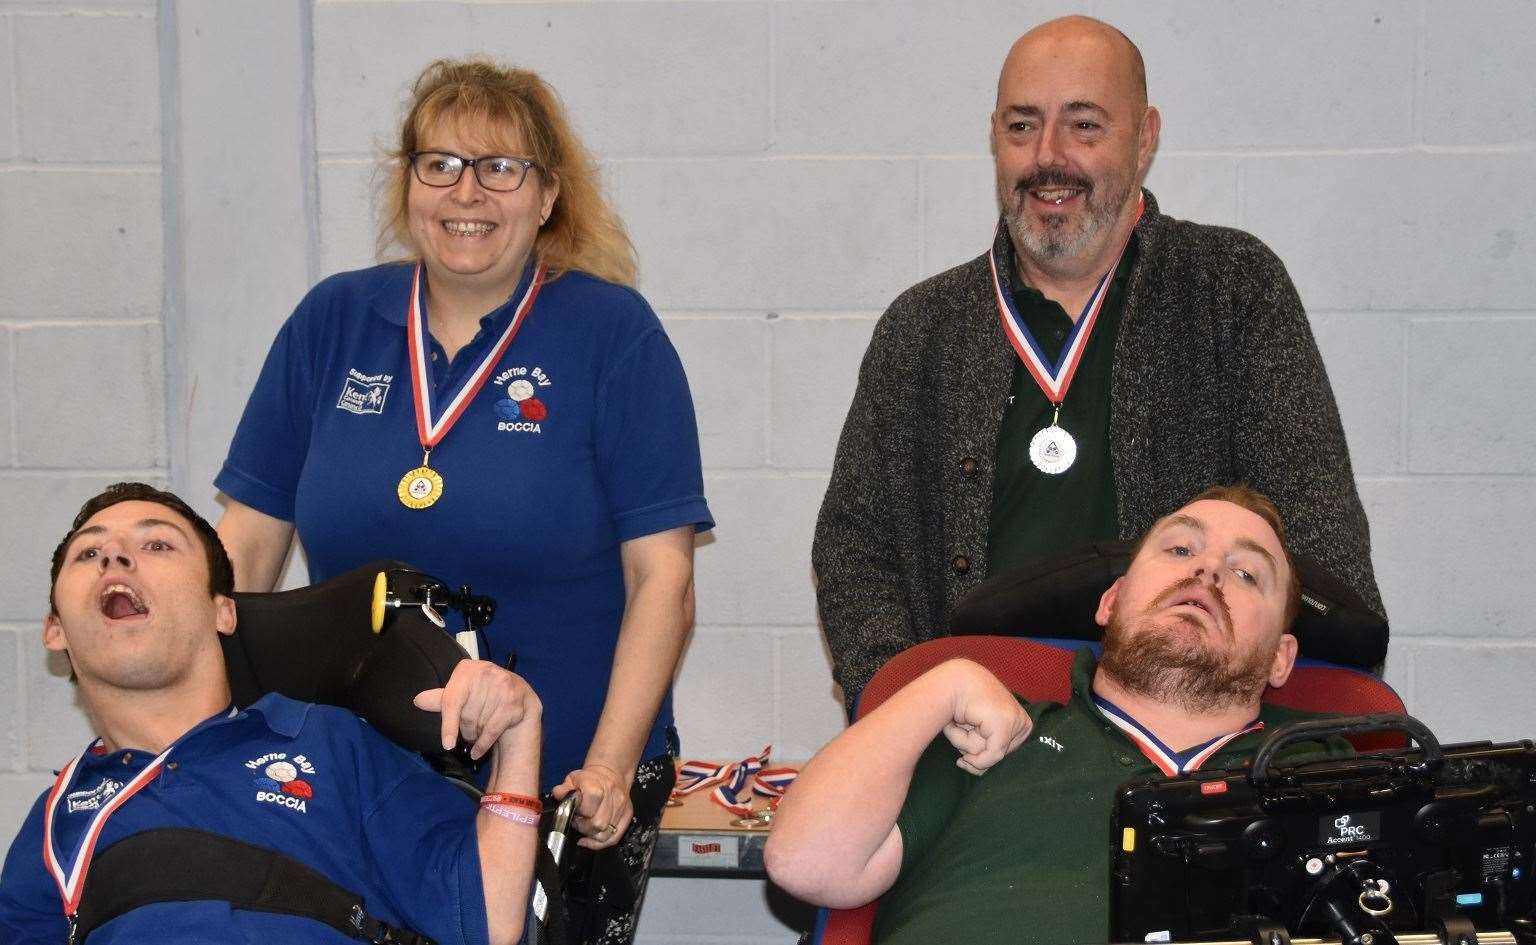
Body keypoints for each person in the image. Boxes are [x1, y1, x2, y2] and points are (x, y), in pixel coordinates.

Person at [213, 58, 712, 941]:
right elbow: (244, 548)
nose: (465, 192)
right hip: (359, 769)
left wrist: (606, 765)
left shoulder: (613, 335)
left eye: (500, 167)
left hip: (563, 776)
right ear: (408, 182)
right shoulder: (332, 322)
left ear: (549, 193)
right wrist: (204, 728)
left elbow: (663, 581)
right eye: (439, 164)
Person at [812, 15, 1382, 708]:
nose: (1049, 157)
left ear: (1145, 139)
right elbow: (853, 549)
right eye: (1022, 127)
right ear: (994, 137)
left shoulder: (1232, 289)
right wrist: (905, 707)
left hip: (1180, 737)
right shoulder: (922, 327)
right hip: (972, 734)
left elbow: (1319, 557)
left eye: (1084, 126)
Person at [770, 485, 1354, 945]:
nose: (1206, 572)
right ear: (1111, 600)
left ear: (1282, 658)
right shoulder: (988, 731)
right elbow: (805, 863)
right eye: (1180, 549)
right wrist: (946, 682)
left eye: (1247, 574)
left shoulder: (1327, 770)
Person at [0, 482, 541, 944]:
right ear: (55, 630)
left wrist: (518, 736)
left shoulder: (331, 743)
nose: (115, 558)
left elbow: (486, 918)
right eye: (89, 554)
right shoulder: (53, 826)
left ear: (224, 610)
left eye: (158, 545)